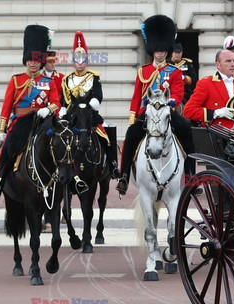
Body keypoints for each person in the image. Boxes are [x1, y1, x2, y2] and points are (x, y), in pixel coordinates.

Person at [116, 15, 195, 196]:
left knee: (186, 130)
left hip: (167, 111)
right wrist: (133, 116)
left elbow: (178, 92)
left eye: (162, 50)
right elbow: (137, 95)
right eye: (157, 50)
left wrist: (172, 103)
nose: (160, 53)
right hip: (147, 113)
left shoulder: (173, 71)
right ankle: (124, 176)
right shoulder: (143, 71)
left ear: (167, 50)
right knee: (131, 136)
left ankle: (190, 176)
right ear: (152, 50)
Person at [0, 25, 61, 198]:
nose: (33, 63)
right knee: (7, 147)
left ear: (41, 61)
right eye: (30, 60)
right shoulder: (16, 80)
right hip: (20, 121)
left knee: (61, 144)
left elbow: (56, 103)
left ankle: (71, 179)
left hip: (41, 121)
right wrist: (2, 128)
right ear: (26, 60)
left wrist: (47, 110)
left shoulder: (48, 82)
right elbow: (6, 106)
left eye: (36, 60)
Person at [60, 31, 119, 186]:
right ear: (73, 62)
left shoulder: (93, 77)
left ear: (87, 61)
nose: (80, 63)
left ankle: (113, 165)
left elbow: (99, 95)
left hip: (90, 116)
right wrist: (62, 110)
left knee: (107, 133)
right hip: (73, 117)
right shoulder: (66, 80)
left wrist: (93, 101)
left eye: (83, 60)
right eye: (77, 60)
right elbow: (63, 100)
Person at [183, 49, 234, 132]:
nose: (233, 64)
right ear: (218, 64)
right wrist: (215, 113)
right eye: (228, 61)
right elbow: (188, 110)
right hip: (216, 135)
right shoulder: (206, 83)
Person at [169, 41, 197, 106]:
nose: (177, 54)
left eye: (179, 53)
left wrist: (184, 78)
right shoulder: (166, 63)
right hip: (168, 91)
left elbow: (194, 79)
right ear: (172, 53)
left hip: (184, 91)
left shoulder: (187, 64)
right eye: (175, 52)